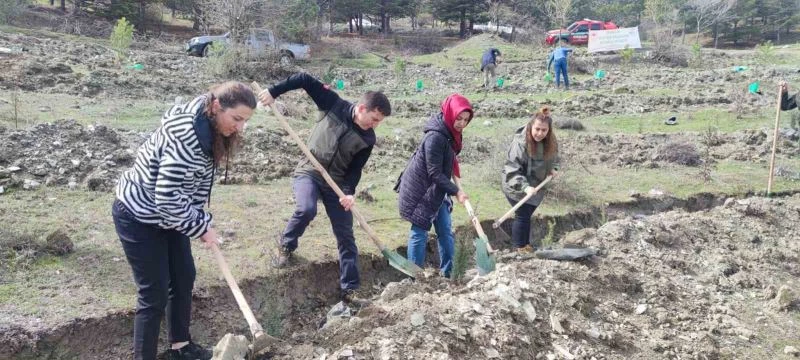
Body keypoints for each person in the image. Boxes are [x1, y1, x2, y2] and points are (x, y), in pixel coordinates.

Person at [113, 82, 257, 360]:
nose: (240, 127)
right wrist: (200, 226)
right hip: (139, 215)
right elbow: (165, 199)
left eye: (245, 121)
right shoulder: (185, 138)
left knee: (183, 276)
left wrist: (201, 219)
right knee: (153, 293)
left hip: (172, 216)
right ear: (216, 106)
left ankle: (180, 347)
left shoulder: (210, 128)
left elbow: (194, 187)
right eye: (236, 119)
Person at [258, 73, 391, 304]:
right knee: (307, 209)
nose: (375, 124)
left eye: (379, 121)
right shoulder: (333, 104)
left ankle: (350, 290)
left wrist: (349, 192)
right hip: (309, 169)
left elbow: (354, 170)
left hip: (337, 182)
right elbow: (304, 79)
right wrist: (273, 91)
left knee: (346, 235)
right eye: (374, 118)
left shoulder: (368, 139)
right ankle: (285, 246)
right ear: (361, 108)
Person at [396, 94, 472, 278]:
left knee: (445, 230)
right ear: (449, 113)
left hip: (438, 190)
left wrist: (454, 170)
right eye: (458, 118)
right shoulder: (435, 137)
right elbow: (434, 173)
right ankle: (415, 277)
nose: (461, 123)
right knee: (419, 231)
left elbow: (449, 157)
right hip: (421, 190)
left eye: (466, 120)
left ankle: (450, 272)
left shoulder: (451, 134)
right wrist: (456, 191)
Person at [501, 107, 560, 252]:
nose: (540, 133)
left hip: (536, 185)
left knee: (527, 213)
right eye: (537, 129)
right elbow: (512, 169)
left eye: (544, 130)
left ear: (549, 130)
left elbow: (555, 157)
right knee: (523, 213)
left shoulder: (550, 140)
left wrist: (554, 168)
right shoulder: (520, 144)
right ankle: (519, 247)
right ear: (530, 126)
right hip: (515, 183)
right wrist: (525, 187)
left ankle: (525, 245)